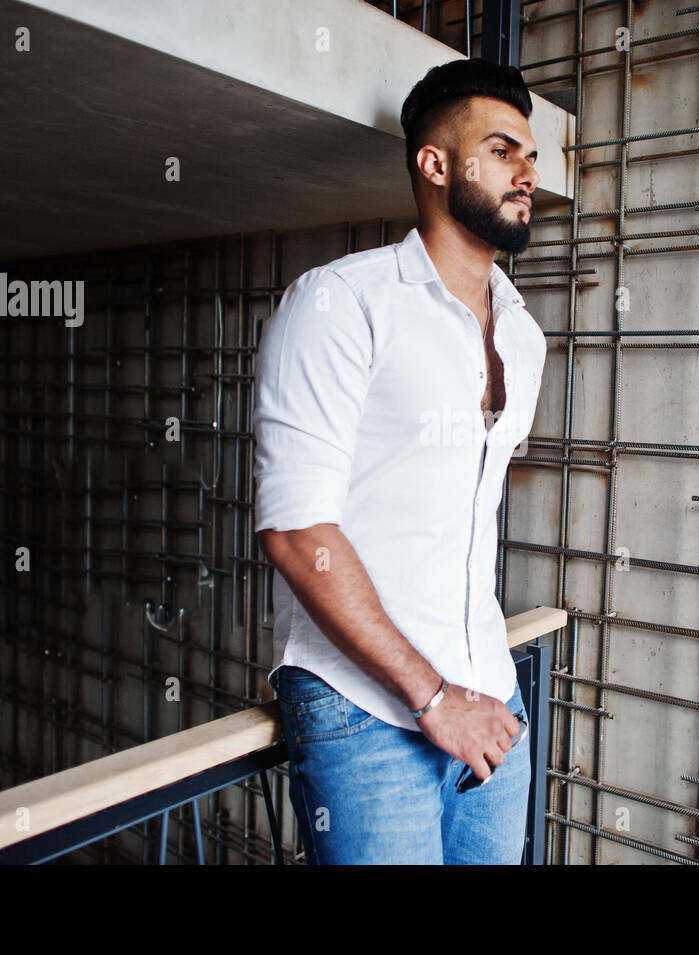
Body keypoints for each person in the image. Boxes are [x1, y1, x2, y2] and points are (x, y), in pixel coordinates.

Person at [252, 56, 545, 864]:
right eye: (502, 150)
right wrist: (433, 694)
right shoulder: (340, 303)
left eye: (531, 156)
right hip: (364, 711)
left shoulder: (524, 335)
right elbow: (293, 528)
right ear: (435, 163)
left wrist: (473, 693)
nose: (527, 171)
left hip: (491, 700)